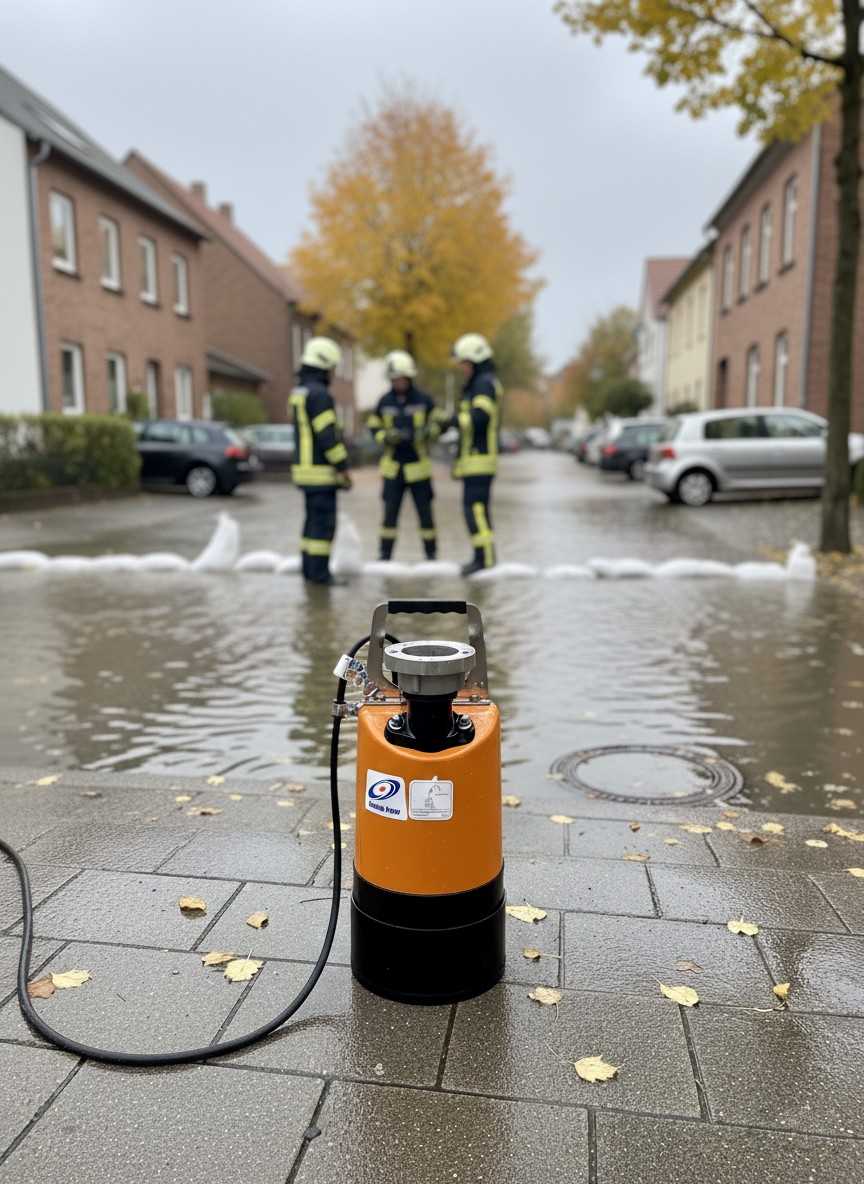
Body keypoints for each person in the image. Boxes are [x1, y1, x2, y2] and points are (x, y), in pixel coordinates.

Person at [367, 350, 441, 561]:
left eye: (402, 378)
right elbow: (373, 426)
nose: (398, 382)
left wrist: (428, 433)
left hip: (419, 468)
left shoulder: (424, 400)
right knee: (389, 516)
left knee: (426, 517)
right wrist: (386, 437)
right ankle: (385, 556)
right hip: (393, 470)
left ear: (409, 377)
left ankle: (431, 556)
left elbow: (440, 422)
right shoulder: (384, 401)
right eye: (394, 378)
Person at [289, 336, 351, 585]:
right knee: (323, 526)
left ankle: (308, 570)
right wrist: (343, 467)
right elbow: (327, 436)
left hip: (303, 472)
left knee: (310, 524)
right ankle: (320, 576)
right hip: (321, 473)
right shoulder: (320, 395)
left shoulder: (299, 392)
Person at [451, 332, 501, 575]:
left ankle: (485, 559)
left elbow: (480, 417)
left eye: (464, 364)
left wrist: (454, 421)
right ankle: (482, 556)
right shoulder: (481, 383)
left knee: (476, 511)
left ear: (474, 361)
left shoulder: (483, 384)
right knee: (475, 510)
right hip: (475, 461)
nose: (462, 369)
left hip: (480, 460)